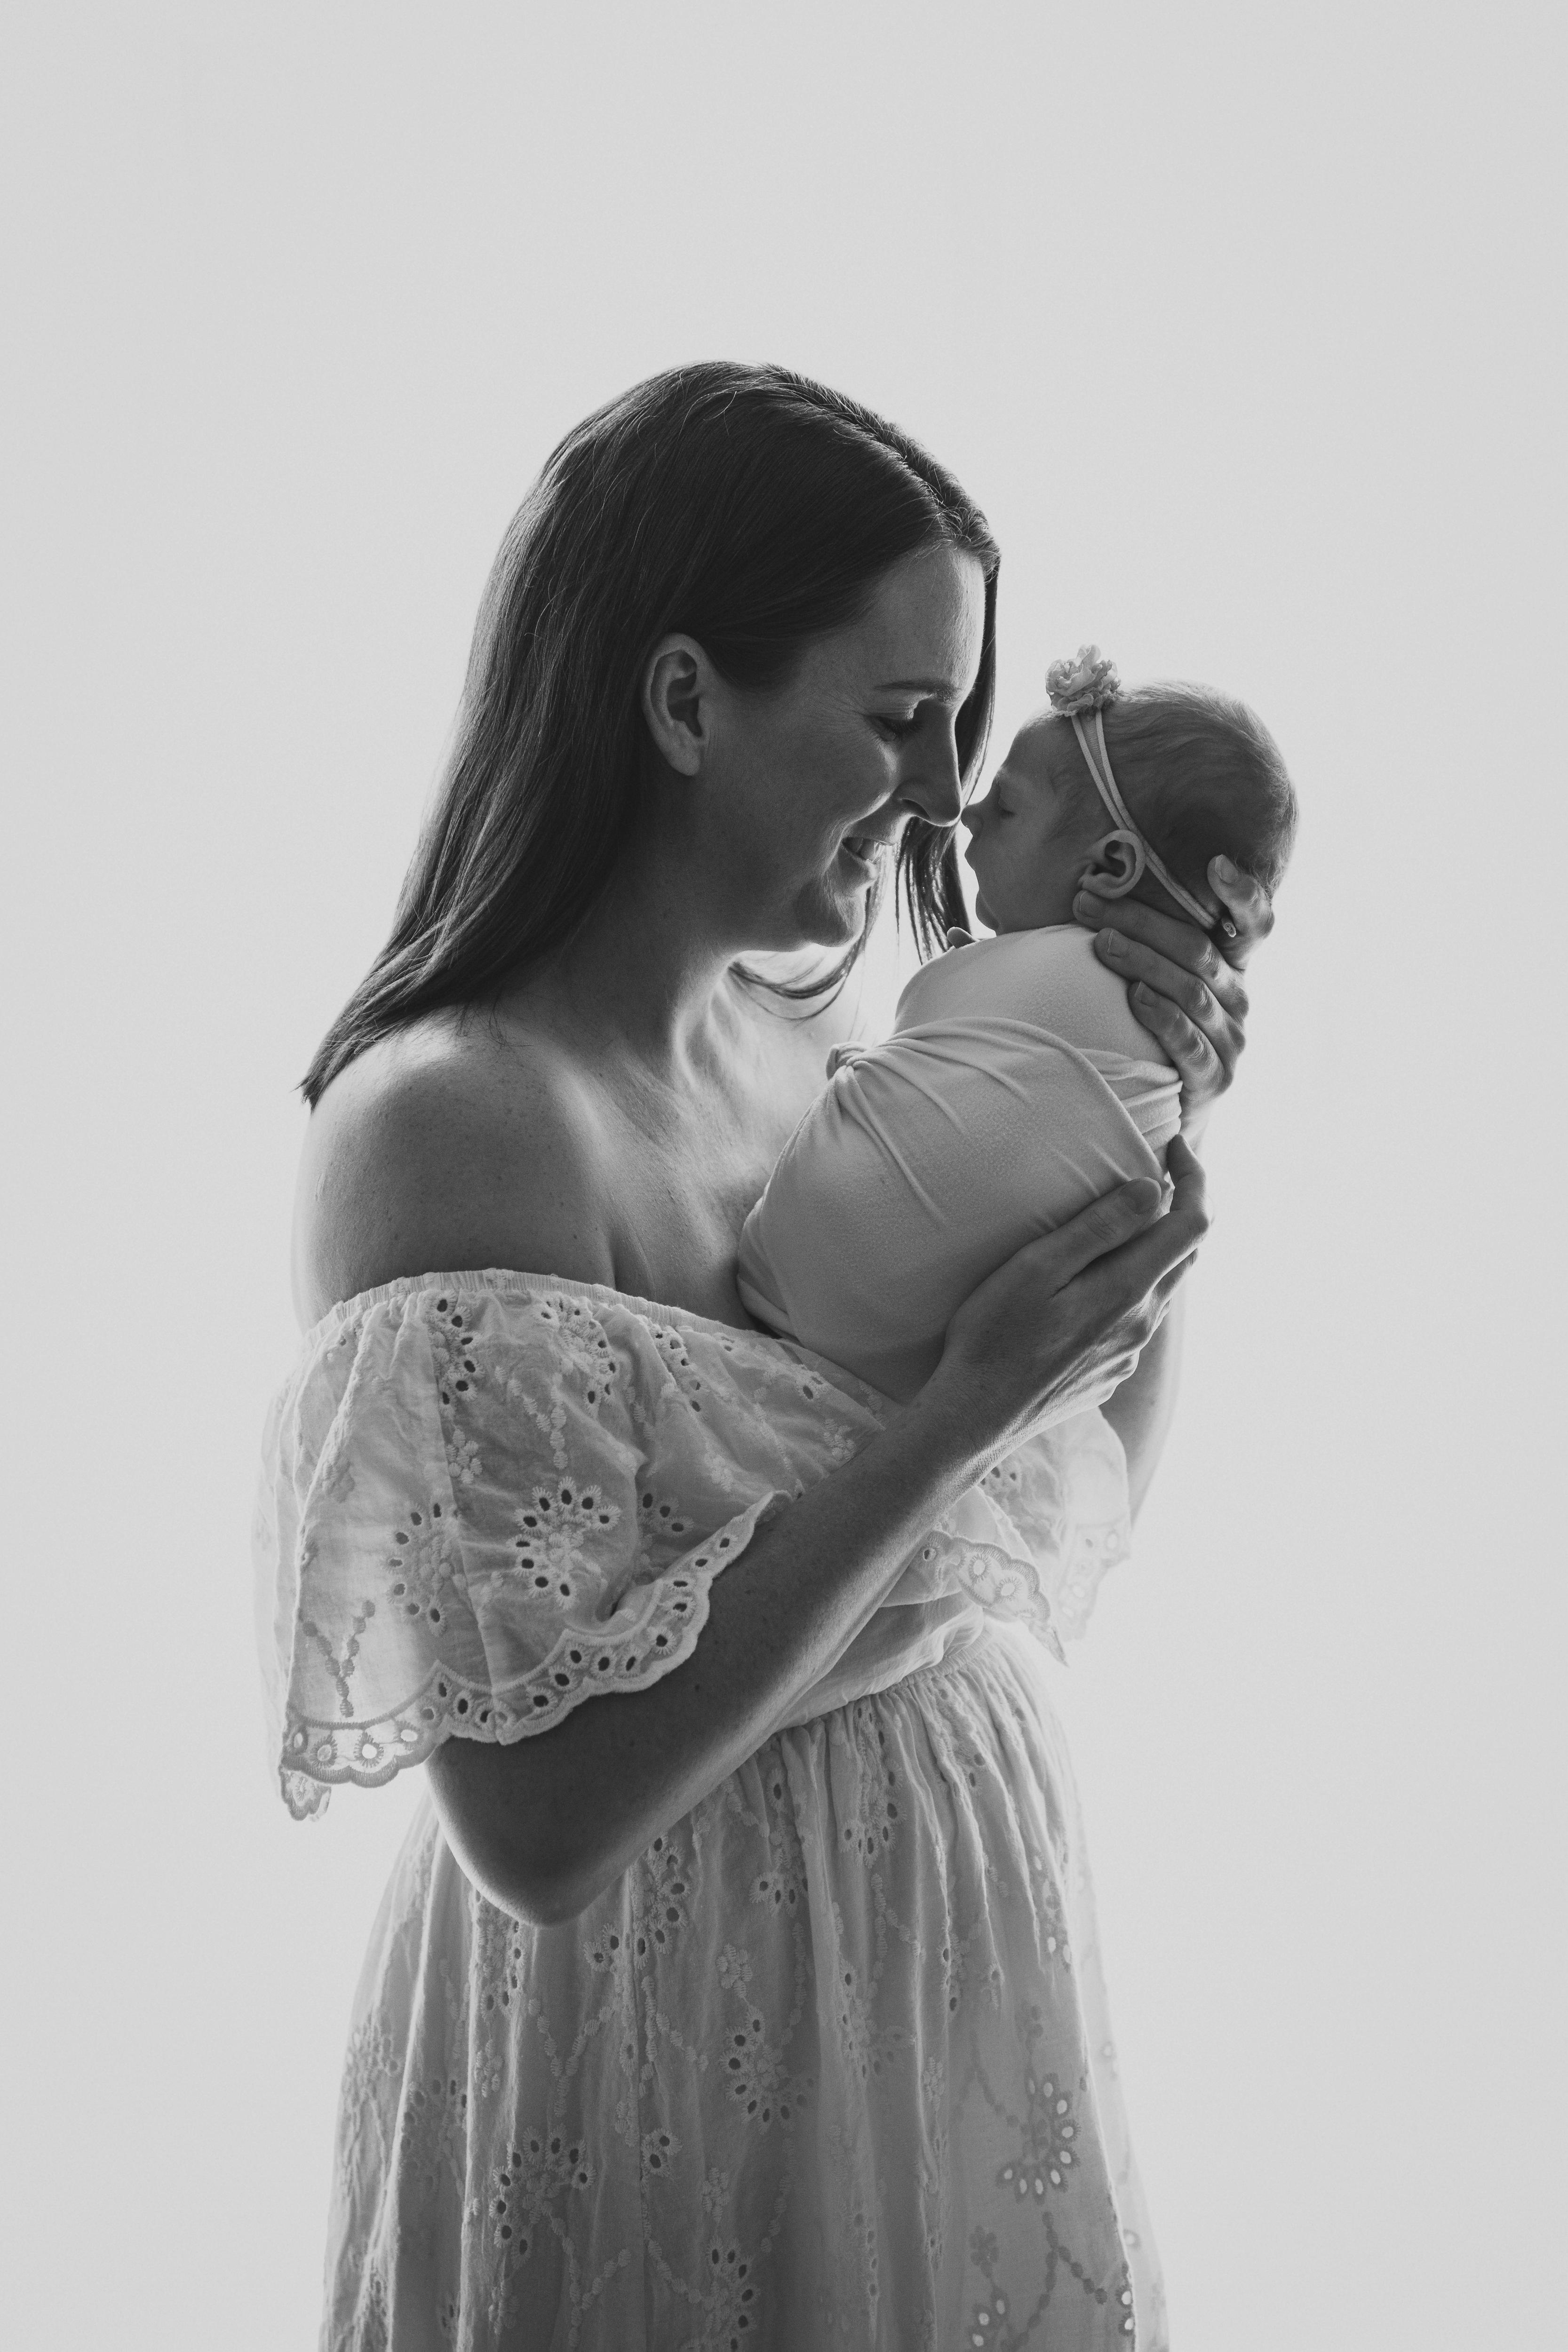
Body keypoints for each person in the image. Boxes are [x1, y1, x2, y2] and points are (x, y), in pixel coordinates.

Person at [255, 361, 1269, 2351]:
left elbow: (1056, 1526)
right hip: (658, 2008)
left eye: (960, 732)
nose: (944, 799)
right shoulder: (462, 1126)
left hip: (935, 1961)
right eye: (901, 722)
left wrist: (1146, 1134)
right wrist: (960, 1400)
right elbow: (537, 1824)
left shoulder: (834, 1056)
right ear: (683, 698)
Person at [737, 648, 1297, 1417]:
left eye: (1004, 807)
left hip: (799, 1308)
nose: (957, 810)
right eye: (897, 718)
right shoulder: (1136, 1031)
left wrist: (1189, 1130)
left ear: (1109, 867)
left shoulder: (1004, 984)